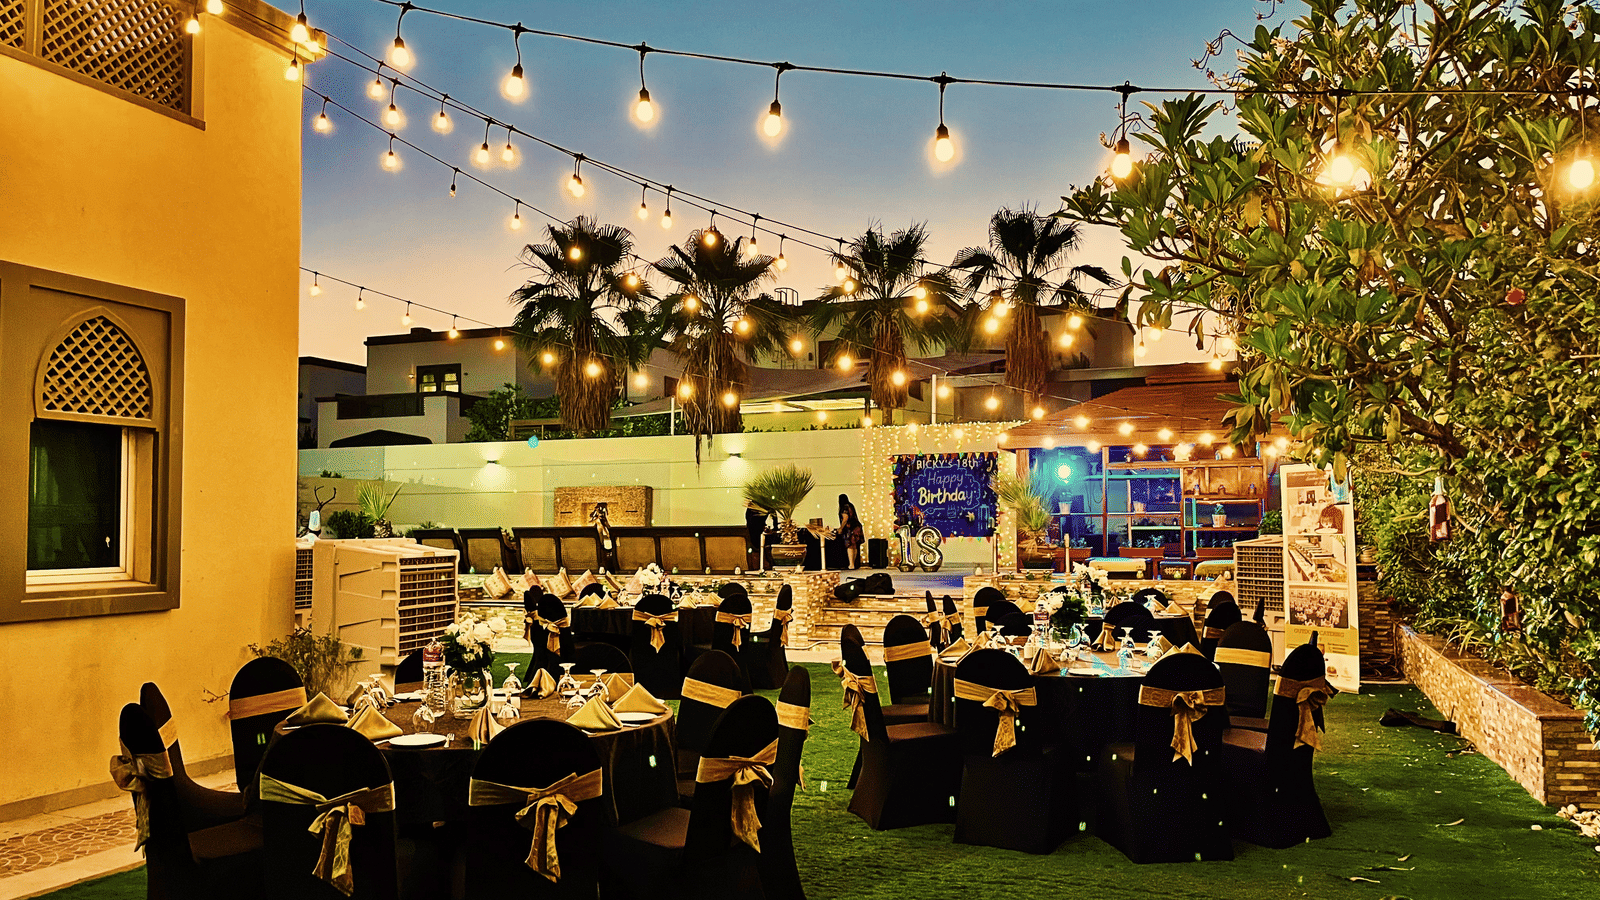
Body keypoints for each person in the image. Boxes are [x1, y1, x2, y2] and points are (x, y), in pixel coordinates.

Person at [838, 493, 865, 570]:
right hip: (857, 527)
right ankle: (853, 563)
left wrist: (841, 528)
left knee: (849, 545)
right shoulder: (851, 506)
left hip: (850, 528)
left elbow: (845, 518)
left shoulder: (844, 507)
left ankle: (851, 564)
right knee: (855, 546)